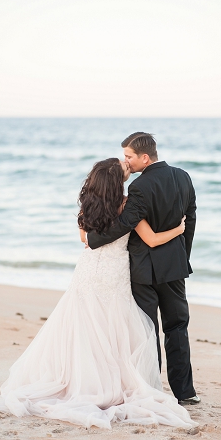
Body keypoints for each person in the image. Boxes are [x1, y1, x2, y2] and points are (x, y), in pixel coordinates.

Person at [0, 158, 195, 430]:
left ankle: (80, 379)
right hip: (114, 273)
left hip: (87, 272)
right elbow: (152, 240)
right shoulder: (126, 206)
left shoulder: (86, 205)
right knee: (115, 328)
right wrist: (179, 230)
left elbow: (85, 240)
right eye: (124, 168)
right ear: (118, 182)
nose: (128, 166)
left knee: (83, 326)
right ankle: (126, 382)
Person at [87, 133, 199, 406]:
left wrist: (93, 239)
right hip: (174, 266)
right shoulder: (183, 177)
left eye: (129, 156)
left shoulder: (140, 187)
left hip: (144, 270)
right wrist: (182, 255)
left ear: (144, 157)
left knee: (147, 330)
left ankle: (152, 389)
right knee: (177, 327)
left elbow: (125, 223)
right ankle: (186, 393)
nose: (126, 161)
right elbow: (191, 217)